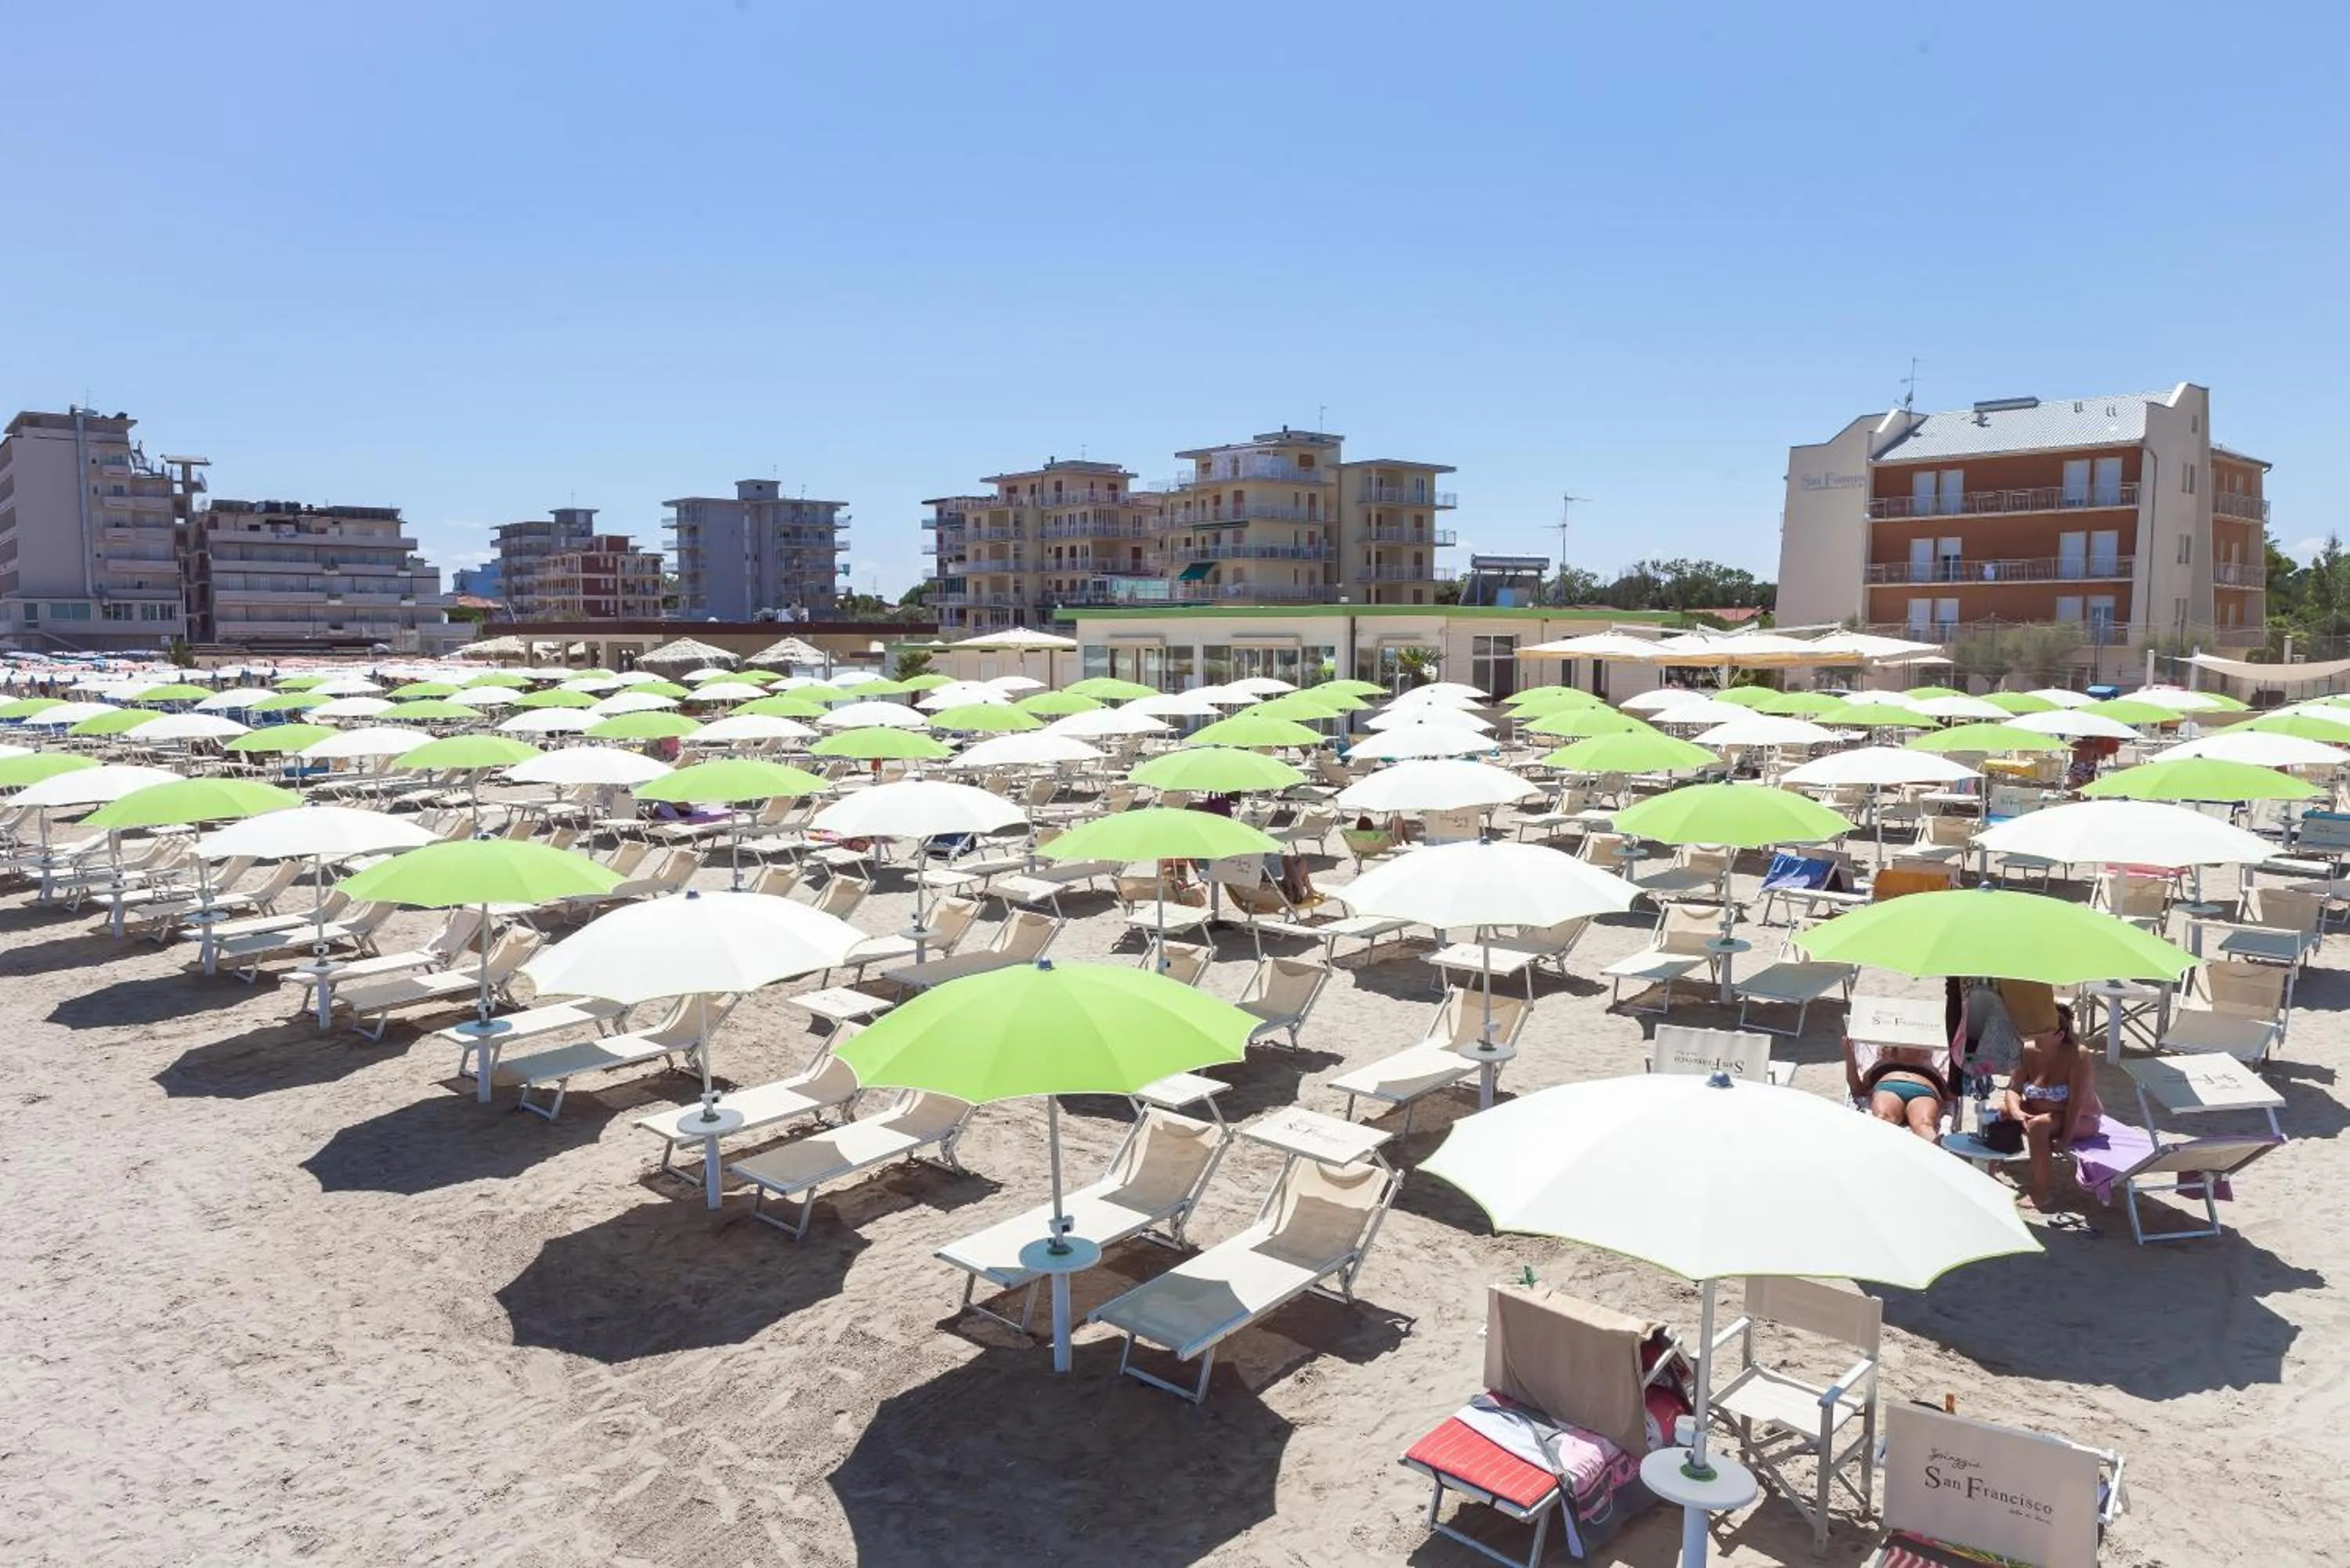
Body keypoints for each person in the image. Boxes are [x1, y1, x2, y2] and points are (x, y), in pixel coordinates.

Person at [1998, 1003, 2086, 1210]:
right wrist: (2016, 1111)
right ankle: (1992, 1168)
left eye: (2042, 1031)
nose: (2035, 1033)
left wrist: (2066, 1137)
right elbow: (2012, 1089)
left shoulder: (2077, 1055)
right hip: (2036, 1108)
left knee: (2039, 1126)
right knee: (1998, 1112)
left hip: (2076, 1116)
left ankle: (2041, 1192)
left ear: (2059, 1036)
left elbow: (2077, 1102)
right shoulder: (2027, 1051)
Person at [1848, 1042, 1948, 1142]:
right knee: (1883, 1117)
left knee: (1924, 1124)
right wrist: (1850, 1056)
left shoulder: (1930, 1066)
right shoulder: (1882, 1063)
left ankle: (1936, 1148)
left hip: (1924, 1093)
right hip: (1889, 1090)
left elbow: (1950, 1096)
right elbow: (1858, 1091)